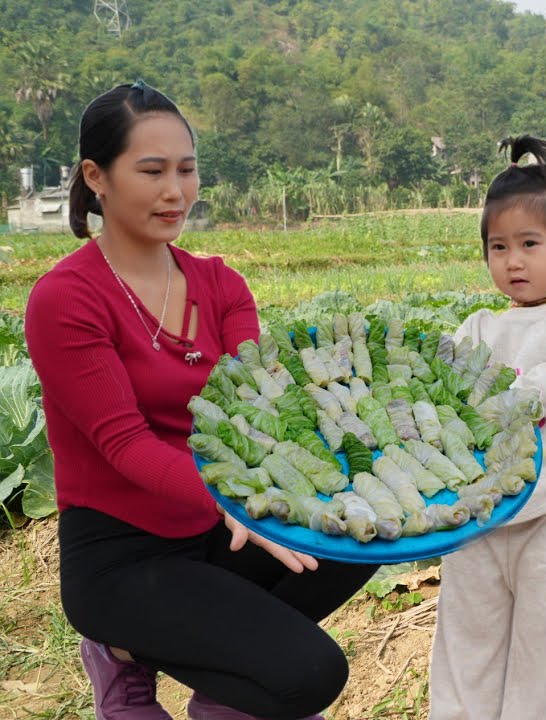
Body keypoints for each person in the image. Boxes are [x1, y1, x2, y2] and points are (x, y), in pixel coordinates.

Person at [24, 82, 377, 720]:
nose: (175, 192)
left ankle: (199, 684)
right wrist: (232, 497)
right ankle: (121, 646)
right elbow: (126, 444)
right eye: (152, 171)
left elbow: (250, 406)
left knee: (361, 535)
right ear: (95, 176)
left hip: (214, 532)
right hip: (121, 555)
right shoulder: (66, 299)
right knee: (313, 674)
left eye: (186, 170)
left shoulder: (220, 285)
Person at [427, 136, 546, 720]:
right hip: (476, 520)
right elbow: (440, 389)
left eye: (530, 244)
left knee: (545, 660)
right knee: (465, 654)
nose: (513, 261)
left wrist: (483, 397)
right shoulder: (476, 326)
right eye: (498, 247)